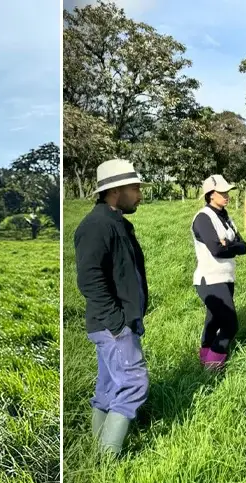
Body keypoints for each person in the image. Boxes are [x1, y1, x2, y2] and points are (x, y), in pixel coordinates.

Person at [74, 158, 148, 458]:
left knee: (108, 385)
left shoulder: (114, 222)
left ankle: (96, 451)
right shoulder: (97, 226)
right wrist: (117, 322)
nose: (140, 195)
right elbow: (89, 280)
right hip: (112, 325)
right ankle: (107, 458)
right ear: (115, 191)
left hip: (114, 323)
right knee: (133, 382)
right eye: (135, 188)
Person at [192, 175, 246, 371]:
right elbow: (216, 250)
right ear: (210, 195)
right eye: (222, 192)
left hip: (226, 276)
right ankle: (213, 367)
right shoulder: (203, 218)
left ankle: (205, 356)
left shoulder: (226, 216)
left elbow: (244, 246)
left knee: (214, 319)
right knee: (230, 324)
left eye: (227, 191)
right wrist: (232, 246)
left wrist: (229, 245)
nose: (227, 195)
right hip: (210, 278)